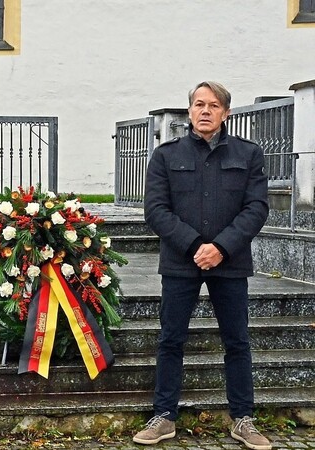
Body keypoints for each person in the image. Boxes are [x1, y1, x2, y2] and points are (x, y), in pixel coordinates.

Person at [135, 81, 271, 450]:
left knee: (238, 341)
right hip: (181, 262)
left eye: (213, 105)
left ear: (226, 112)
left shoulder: (249, 153)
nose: (205, 110)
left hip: (231, 262)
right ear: (190, 111)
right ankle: (164, 416)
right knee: (170, 339)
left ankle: (243, 418)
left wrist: (221, 248)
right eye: (199, 104)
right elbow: (156, 210)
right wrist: (196, 245)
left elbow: (256, 207)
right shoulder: (165, 155)